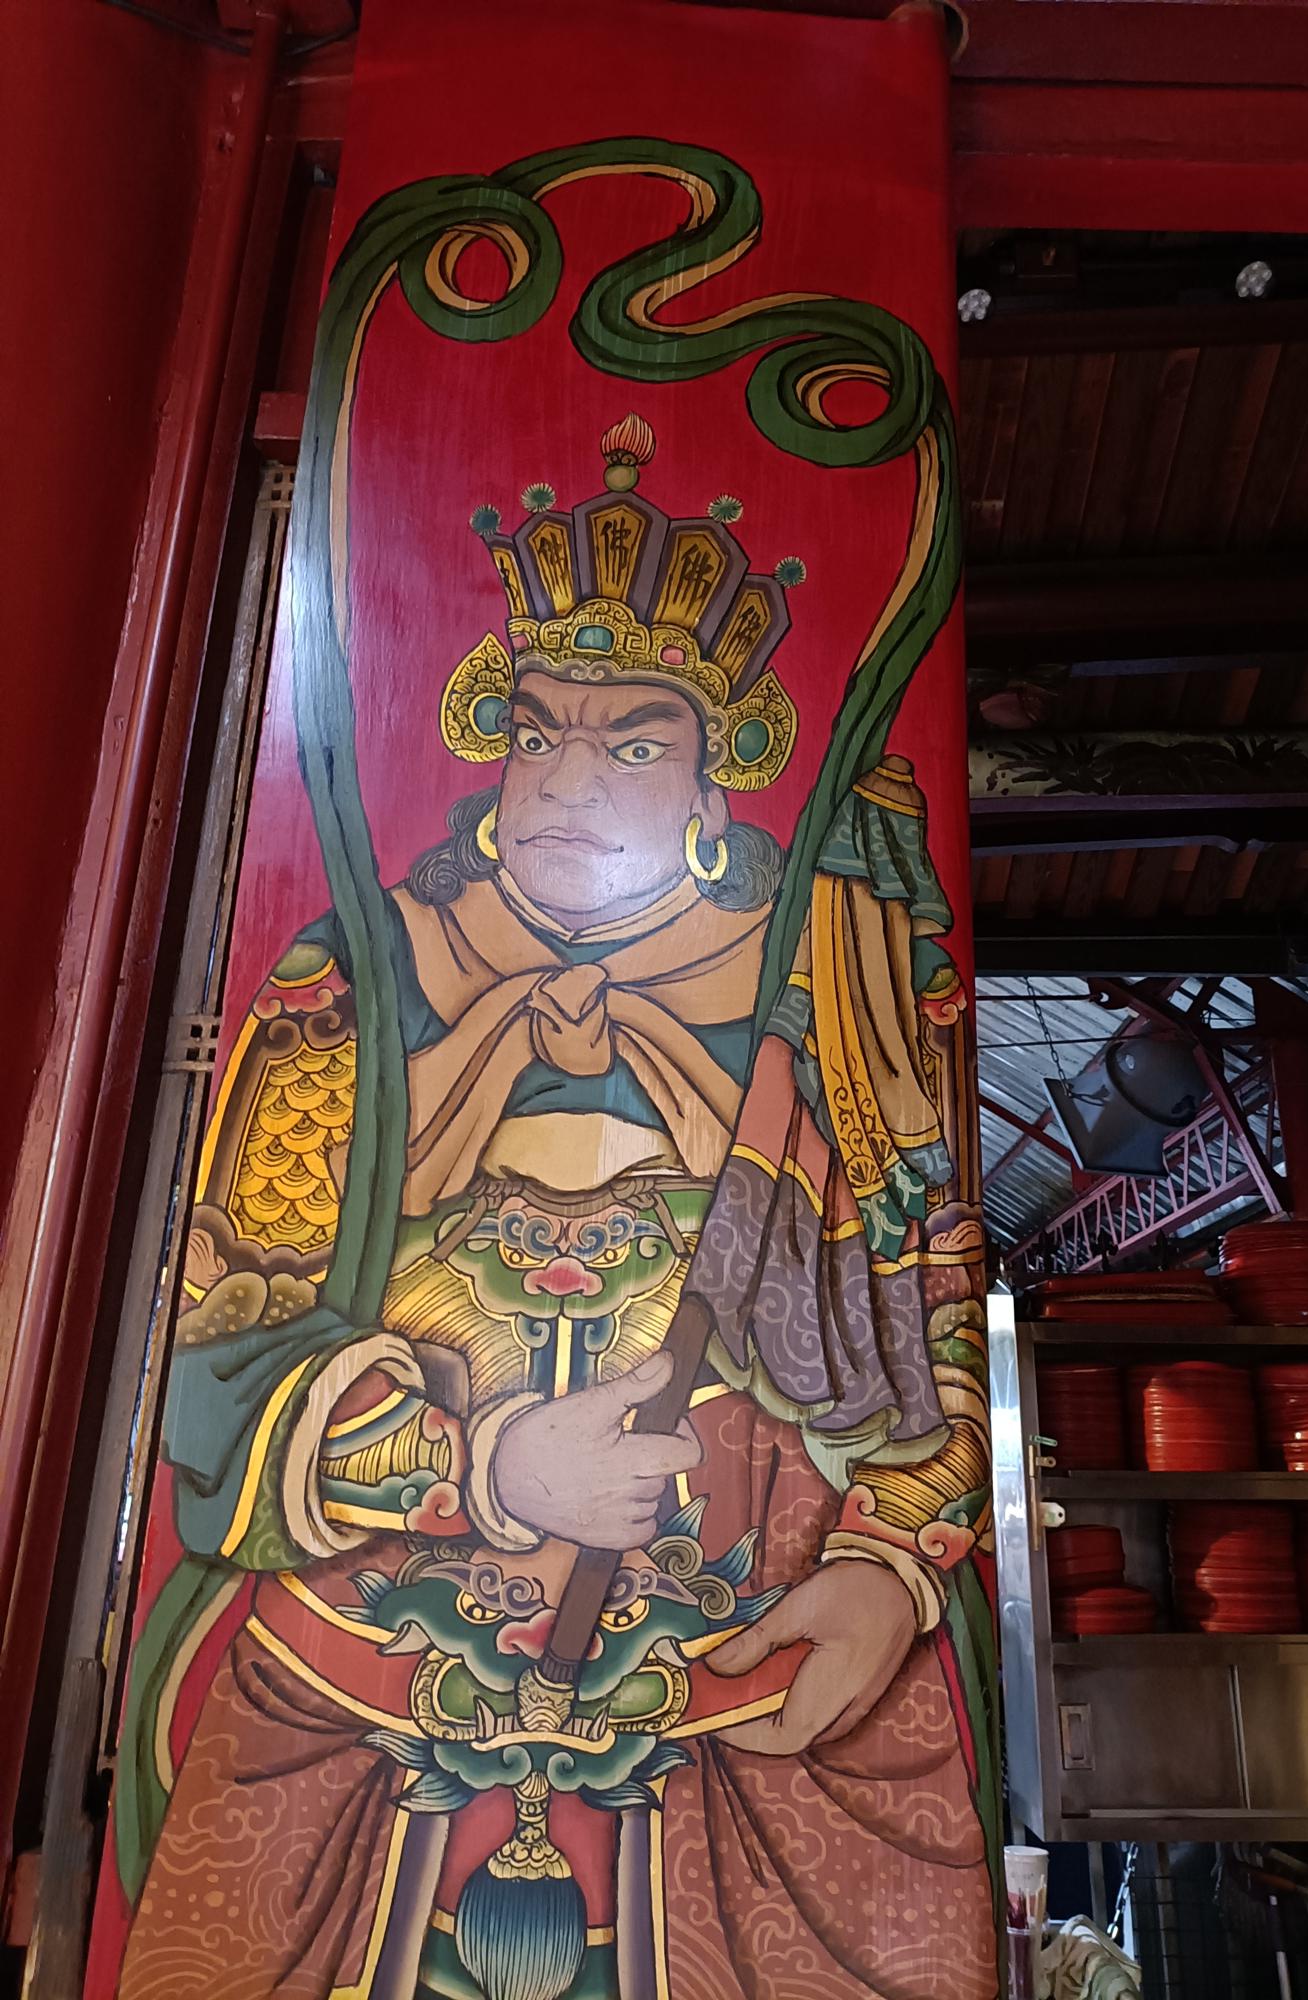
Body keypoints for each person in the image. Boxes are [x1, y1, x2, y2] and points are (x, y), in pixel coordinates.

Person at [114, 421, 998, 2000]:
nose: (568, 786)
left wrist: (888, 1565)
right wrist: (486, 1464)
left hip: (754, 1699)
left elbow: (926, 1313)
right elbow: (218, 1349)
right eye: (538, 734)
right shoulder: (361, 984)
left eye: (634, 747)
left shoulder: (837, 983)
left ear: (717, 772)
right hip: (363, 1678)